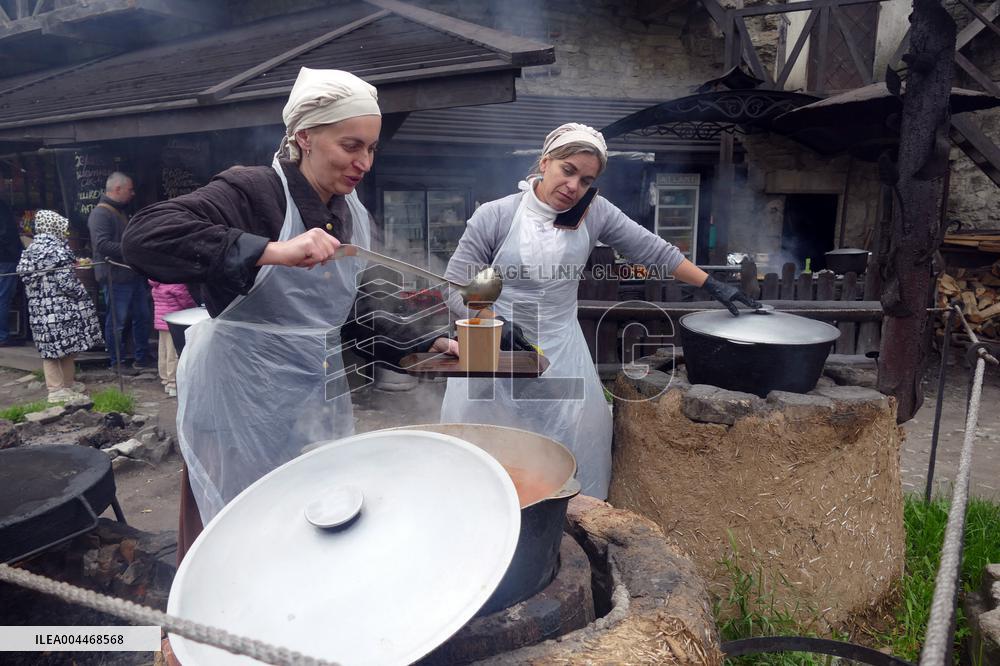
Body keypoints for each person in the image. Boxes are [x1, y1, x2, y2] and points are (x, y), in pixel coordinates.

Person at [122, 67, 456, 557]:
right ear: (304, 137)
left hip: (313, 388)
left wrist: (418, 341)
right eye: (350, 145)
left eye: (370, 148)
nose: (363, 161)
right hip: (241, 394)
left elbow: (342, 314)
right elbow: (145, 235)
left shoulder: (352, 212)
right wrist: (272, 250)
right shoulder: (254, 191)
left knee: (315, 519)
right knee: (247, 527)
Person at [441, 123, 758, 500]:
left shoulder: (595, 213)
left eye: (586, 179)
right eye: (568, 170)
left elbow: (655, 251)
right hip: (494, 350)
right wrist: (490, 321)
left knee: (568, 448)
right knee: (489, 452)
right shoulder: (494, 217)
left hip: (560, 354)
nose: (574, 186)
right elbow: (457, 286)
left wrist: (711, 284)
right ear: (545, 163)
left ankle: (563, 529)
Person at [17, 210, 102, 402]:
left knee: (52, 349)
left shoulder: (30, 250)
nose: (65, 233)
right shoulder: (57, 251)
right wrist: (82, 295)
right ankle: (57, 390)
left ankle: (66, 385)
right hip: (62, 309)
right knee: (65, 349)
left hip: (41, 312)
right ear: (54, 227)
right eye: (62, 229)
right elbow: (66, 283)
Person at [88, 171, 153, 371]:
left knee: (142, 317)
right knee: (117, 321)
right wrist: (132, 250)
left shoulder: (119, 211)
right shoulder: (100, 213)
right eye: (129, 190)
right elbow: (103, 245)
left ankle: (142, 358)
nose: (132, 193)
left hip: (130, 274)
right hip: (115, 276)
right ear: (117, 189)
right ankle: (117, 362)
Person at [149, 279, 196, 397]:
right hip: (173, 323)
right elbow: (186, 301)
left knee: (163, 352)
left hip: (160, 322)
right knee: (173, 354)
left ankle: (165, 379)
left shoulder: (156, 283)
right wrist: (195, 306)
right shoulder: (175, 284)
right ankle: (173, 384)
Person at [0, 200, 22, 346]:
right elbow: (6, 234)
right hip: (6, 258)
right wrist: (18, 252)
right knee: (3, 297)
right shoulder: (2, 207)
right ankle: (2, 336)